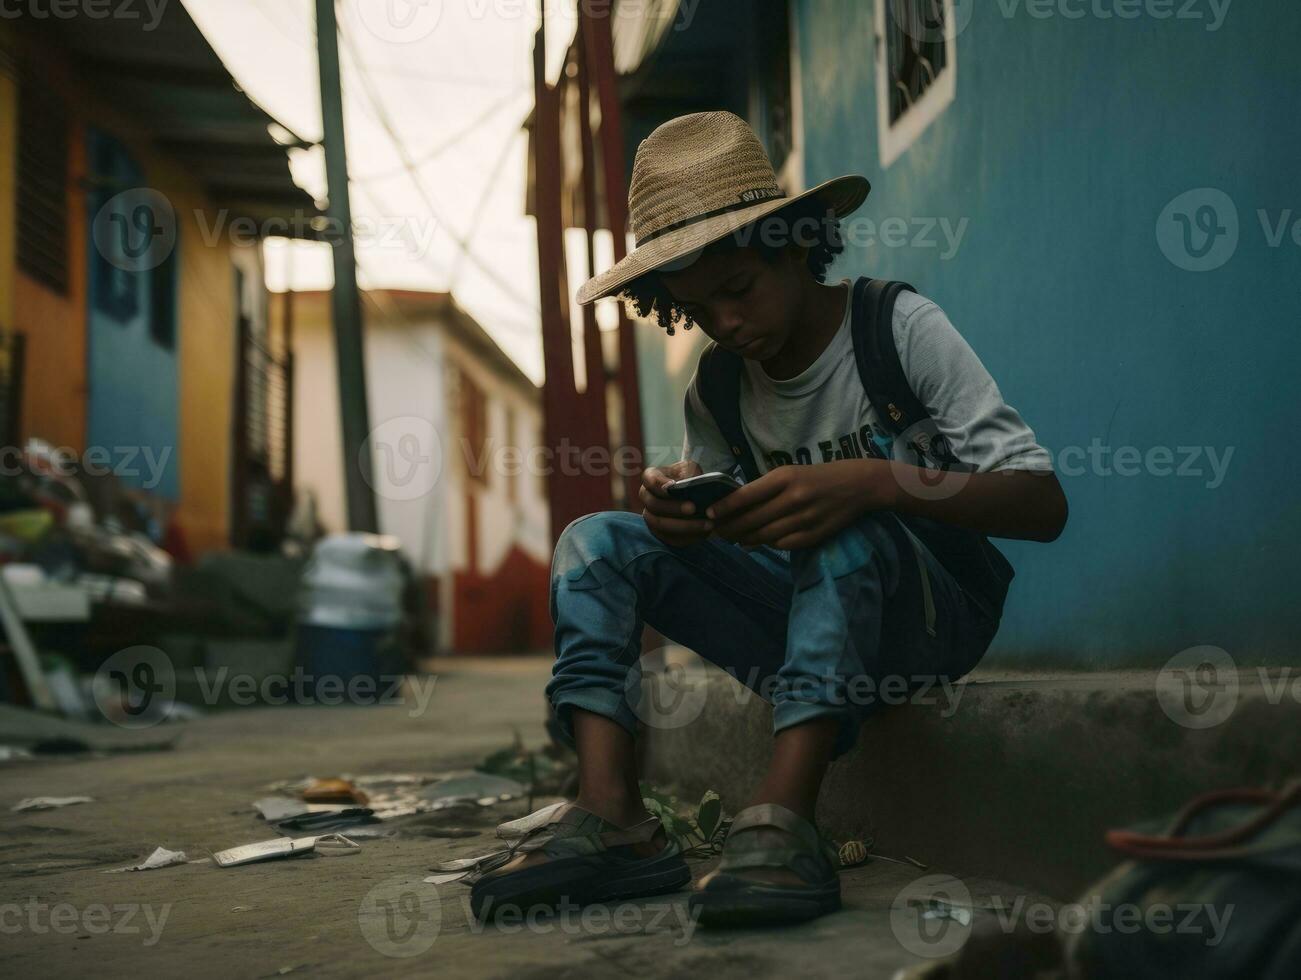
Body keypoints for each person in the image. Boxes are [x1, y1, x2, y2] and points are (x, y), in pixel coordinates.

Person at [471, 111, 1067, 927]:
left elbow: (1041, 502)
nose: (724, 323)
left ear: (794, 242)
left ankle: (786, 819)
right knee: (596, 543)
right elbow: (735, 533)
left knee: (837, 522)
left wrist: (877, 482)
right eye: (696, 307)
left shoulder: (895, 328)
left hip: (929, 623)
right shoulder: (717, 388)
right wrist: (685, 519)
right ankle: (614, 816)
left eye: (739, 290)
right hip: (798, 628)